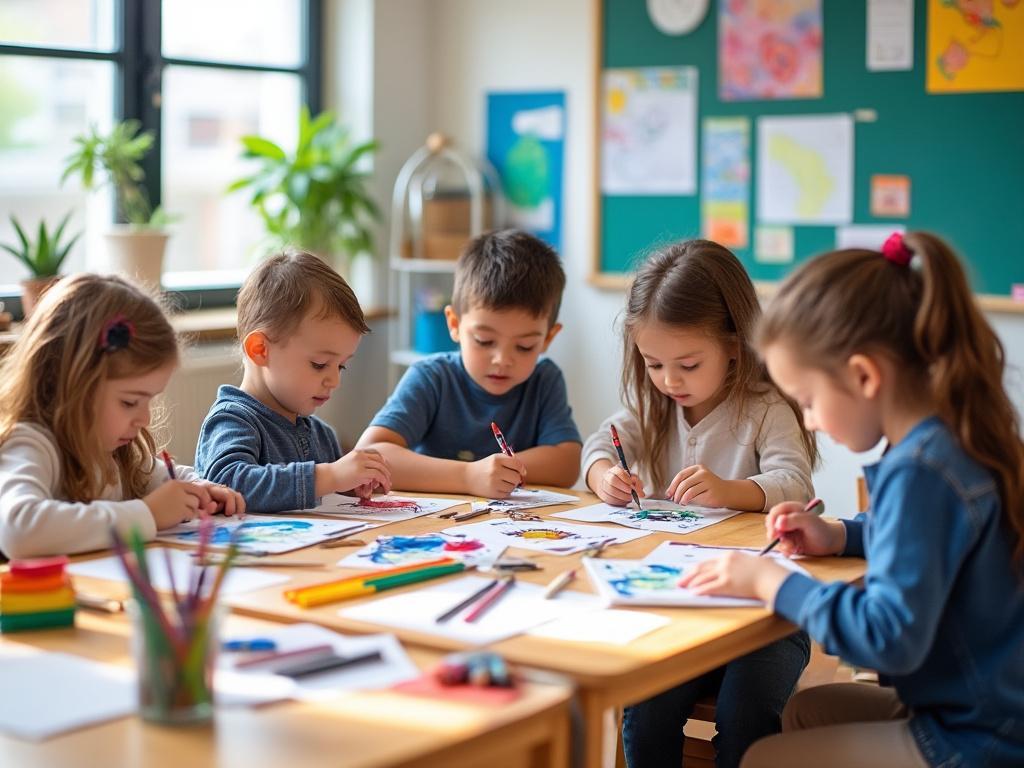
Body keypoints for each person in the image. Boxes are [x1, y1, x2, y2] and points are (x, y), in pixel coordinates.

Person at [683, 232, 1024, 767]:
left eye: (810, 401)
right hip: (986, 710)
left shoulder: (923, 469)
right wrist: (839, 533)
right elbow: (926, 539)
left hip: (976, 740)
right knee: (807, 713)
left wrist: (774, 583)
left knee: (762, 760)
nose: (812, 421)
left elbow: (887, 638)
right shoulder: (945, 442)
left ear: (864, 376)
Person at [583, 239, 816, 768]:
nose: (669, 380)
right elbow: (599, 446)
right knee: (644, 707)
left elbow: (794, 482)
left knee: (746, 716)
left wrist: (732, 490)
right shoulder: (652, 405)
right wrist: (604, 476)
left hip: (767, 618)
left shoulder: (764, 407)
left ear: (735, 344)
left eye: (688, 363)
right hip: (681, 609)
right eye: (653, 363)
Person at [0, 274, 243, 559]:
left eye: (150, 400)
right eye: (129, 402)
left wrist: (198, 488)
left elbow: (162, 478)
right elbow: (18, 531)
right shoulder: (29, 443)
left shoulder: (113, 452)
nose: (144, 419)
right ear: (69, 384)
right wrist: (148, 514)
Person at [357, 229, 581, 497]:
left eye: (525, 346)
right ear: (454, 324)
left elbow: (567, 463)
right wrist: (468, 476)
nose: (502, 360)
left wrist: (498, 471)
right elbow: (371, 455)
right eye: (484, 341)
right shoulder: (431, 377)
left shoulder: (544, 379)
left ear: (548, 338)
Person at [196, 251, 391, 513]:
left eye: (341, 365)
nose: (334, 380)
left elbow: (322, 491)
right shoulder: (232, 419)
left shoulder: (322, 436)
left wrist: (351, 483)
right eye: (319, 364)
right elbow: (226, 484)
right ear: (260, 350)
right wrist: (330, 477)